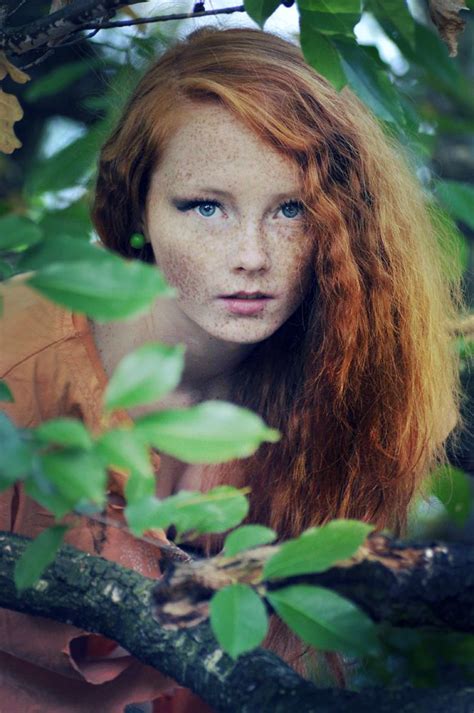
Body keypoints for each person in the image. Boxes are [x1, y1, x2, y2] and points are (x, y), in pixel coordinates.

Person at [0, 24, 464, 712]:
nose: (251, 254)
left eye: (291, 209)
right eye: (206, 207)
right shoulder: (17, 348)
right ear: (139, 211)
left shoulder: (338, 408)